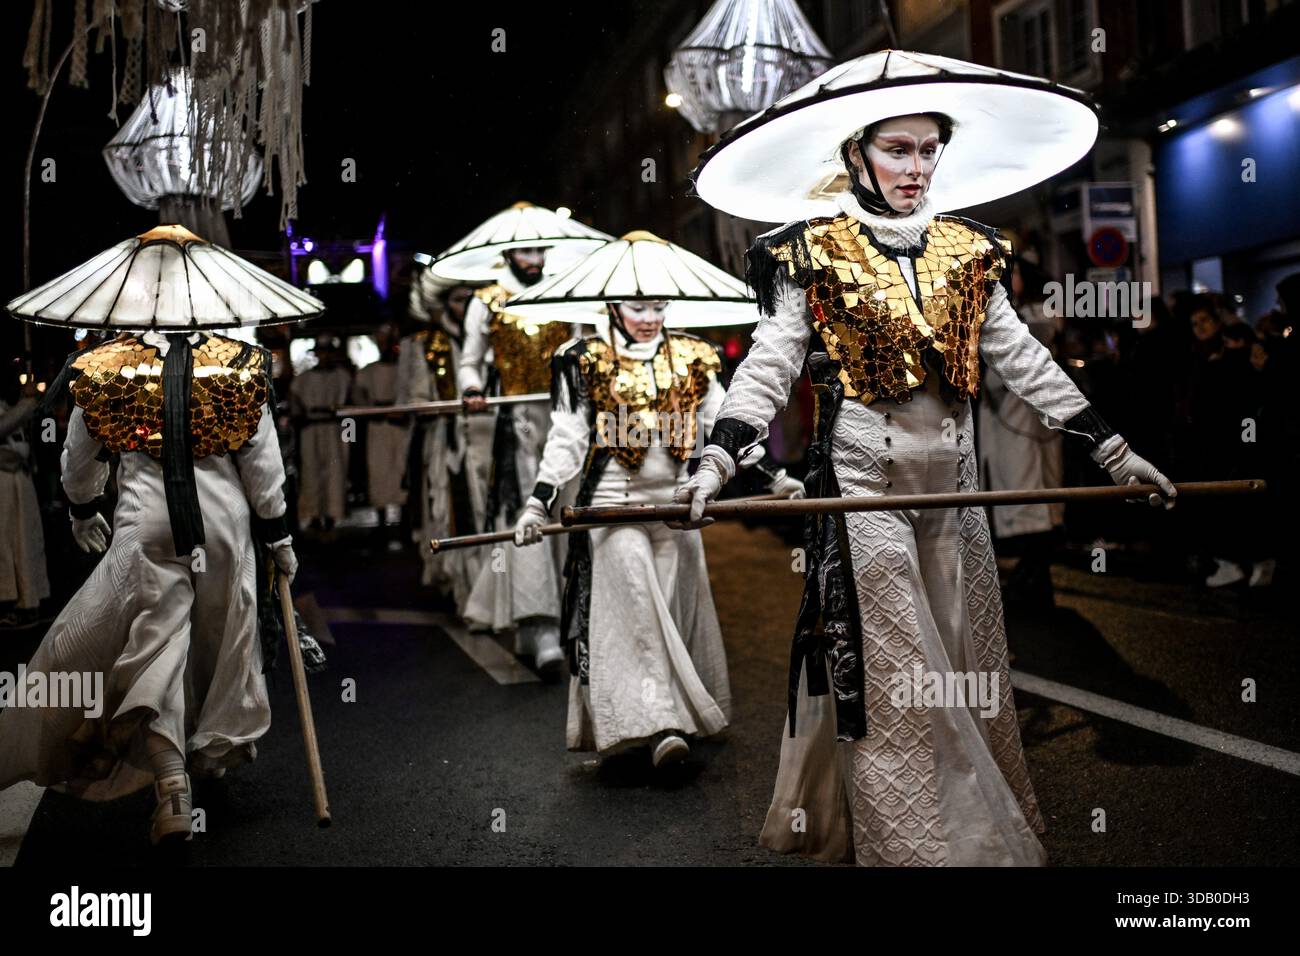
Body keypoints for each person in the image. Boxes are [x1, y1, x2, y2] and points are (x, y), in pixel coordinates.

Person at [681, 51, 1176, 865]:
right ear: (856, 156)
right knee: (896, 669)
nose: (915, 167)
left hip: (956, 488)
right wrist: (718, 459)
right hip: (861, 488)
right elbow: (768, 363)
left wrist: (1115, 451)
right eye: (896, 149)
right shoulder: (807, 252)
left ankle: (966, 820)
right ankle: (915, 847)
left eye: (928, 150)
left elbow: (1019, 356)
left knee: (960, 660)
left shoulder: (973, 251)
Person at [0, 331, 297, 845]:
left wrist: (82, 506)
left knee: (158, 644)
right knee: (219, 642)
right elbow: (262, 464)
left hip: (148, 522)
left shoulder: (108, 365)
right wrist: (278, 533)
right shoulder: (240, 362)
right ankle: (211, 750)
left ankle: (172, 785)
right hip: (223, 526)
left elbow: (79, 454)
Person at [515, 299, 803, 765]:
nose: (649, 319)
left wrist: (774, 477)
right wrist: (536, 502)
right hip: (612, 510)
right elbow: (567, 438)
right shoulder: (581, 359)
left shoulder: (696, 356)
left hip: (676, 507)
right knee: (638, 605)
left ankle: (670, 716)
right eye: (637, 308)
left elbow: (721, 425)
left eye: (657, 308)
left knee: (668, 611)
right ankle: (662, 724)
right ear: (612, 308)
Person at [457, 247, 573, 675]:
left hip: (565, 415)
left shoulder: (566, 289)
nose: (535, 258)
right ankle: (540, 625)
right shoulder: (485, 299)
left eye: (541, 249)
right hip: (518, 418)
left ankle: (565, 618)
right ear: (508, 253)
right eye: (526, 251)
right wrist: (471, 390)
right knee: (530, 512)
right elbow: (469, 361)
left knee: (569, 511)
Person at [398, 271, 493, 607]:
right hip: (451, 442)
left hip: (495, 438)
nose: (464, 307)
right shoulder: (426, 344)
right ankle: (467, 591)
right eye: (457, 300)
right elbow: (414, 399)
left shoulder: (491, 334)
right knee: (460, 512)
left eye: (469, 300)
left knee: (494, 513)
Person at [977, 255, 1065, 610]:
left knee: (1034, 501)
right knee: (1027, 500)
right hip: (1008, 425)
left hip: (1028, 426)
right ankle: (1032, 579)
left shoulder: (1039, 317)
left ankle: (1034, 579)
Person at [351, 323, 410, 546]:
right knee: (380, 472)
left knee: (401, 470)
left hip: (400, 426)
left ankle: (404, 523)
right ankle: (382, 522)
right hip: (378, 429)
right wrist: (372, 410)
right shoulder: (368, 372)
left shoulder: (404, 371)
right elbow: (358, 396)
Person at [0, 369, 50, 628]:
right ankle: (8, 601)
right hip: (3, 483)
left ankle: (29, 602)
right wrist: (27, 403)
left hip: (21, 480)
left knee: (26, 542)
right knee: (6, 545)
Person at [289, 336, 353, 533]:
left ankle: (332, 515)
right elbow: (295, 404)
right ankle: (314, 515)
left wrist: (350, 433)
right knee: (311, 471)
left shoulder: (342, 376)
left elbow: (351, 402)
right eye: (322, 352)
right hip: (312, 428)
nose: (325, 356)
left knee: (335, 472)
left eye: (328, 352)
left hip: (334, 428)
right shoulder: (302, 380)